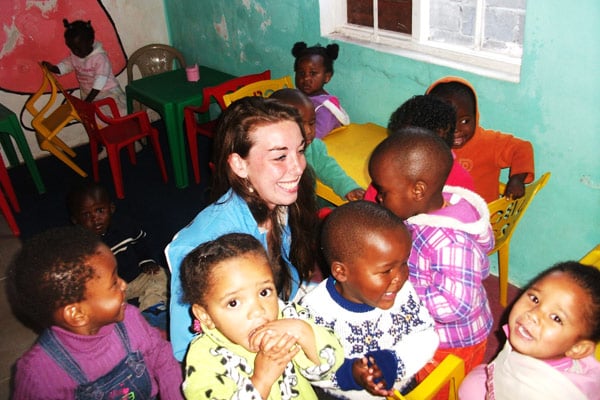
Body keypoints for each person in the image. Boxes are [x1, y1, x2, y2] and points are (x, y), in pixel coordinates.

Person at [165, 96, 319, 361]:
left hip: (275, 312)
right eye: (280, 156)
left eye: (300, 151)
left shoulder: (277, 201)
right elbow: (186, 350)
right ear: (239, 165)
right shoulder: (202, 246)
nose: (298, 167)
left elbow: (285, 276)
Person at [368, 128, 494, 388]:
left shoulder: (449, 241)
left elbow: (455, 305)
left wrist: (401, 292)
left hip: (452, 342)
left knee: (433, 389)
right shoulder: (429, 208)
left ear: (417, 190)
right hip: (438, 327)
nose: (378, 197)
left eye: (383, 191)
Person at [9, 226, 183, 399]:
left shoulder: (130, 318)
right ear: (77, 314)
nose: (124, 284)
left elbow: (161, 356)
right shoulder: (39, 374)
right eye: (114, 283)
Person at [300, 201, 439, 399]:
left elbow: (426, 334)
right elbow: (309, 365)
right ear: (341, 272)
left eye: (404, 263)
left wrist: (393, 364)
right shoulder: (314, 311)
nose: (400, 277)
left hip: (400, 386)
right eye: (386, 270)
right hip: (341, 394)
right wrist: (352, 374)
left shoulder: (402, 292)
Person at [179, 233, 344, 399]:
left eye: (264, 292)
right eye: (233, 303)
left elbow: (329, 368)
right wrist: (261, 381)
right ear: (205, 315)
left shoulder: (288, 317)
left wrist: (304, 332)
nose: (258, 310)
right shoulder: (204, 358)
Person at [459, 261, 600, 399]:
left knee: (469, 388)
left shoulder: (540, 392)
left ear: (577, 349)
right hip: (513, 373)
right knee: (473, 382)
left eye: (556, 318)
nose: (533, 314)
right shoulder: (546, 344)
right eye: (535, 299)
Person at [66, 181, 169, 332]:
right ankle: (123, 323)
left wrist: (145, 260)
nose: (95, 219)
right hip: (110, 289)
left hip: (137, 276)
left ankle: (151, 310)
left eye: (100, 211)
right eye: (87, 215)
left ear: (111, 208)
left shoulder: (125, 225)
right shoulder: (81, 245)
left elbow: (140, 241)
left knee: (162, 274)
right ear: (76, 220)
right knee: (91, 306)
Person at [427, 76, 535, 203]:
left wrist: (517, 179)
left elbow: (521, 148)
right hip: (441, 216)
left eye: (465, 121)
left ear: (476, 116)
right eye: (446, 121)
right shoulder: (428, 144)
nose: (456, 129)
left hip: (481, 217)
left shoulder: (489, 142)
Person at [364, 94, 475, 202]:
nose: (399, 151)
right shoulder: (389, 170)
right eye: (398, 142)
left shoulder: (460, 182)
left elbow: (466, 217)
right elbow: (369, 209)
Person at [270, 88, 365, 202]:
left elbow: (328, 168)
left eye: (311, 123)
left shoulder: (313, 147)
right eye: (299, 125)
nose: (309, 131)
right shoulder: (268, 154)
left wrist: (348, 187)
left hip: (306, 206)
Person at [41, 19, 127, 117]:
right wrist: (52, 68)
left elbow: (100, 81)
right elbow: (65, 66)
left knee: (121, 114)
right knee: (99, 118)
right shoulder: (75, 56)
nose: (76, 52)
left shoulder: (100, 58)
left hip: (108, 92)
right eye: (72, 48)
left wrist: (87, 102)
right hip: (89, 94)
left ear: (90, 41)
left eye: (78, 48)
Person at [292, 41, 350, 139]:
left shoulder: (323, 108)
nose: (306, 78)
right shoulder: (297, 96)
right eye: (301, 73)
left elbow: (315, 135)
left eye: (313, 73)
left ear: (327, 77)